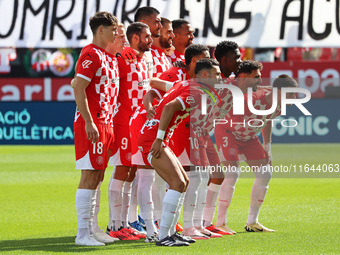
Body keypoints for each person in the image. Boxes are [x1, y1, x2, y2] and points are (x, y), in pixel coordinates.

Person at [138, 58, 221, 246]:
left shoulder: (185, 84)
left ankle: (171, 232)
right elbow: (169, 107)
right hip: (154, 138)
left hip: (156, 136)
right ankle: (164, 236)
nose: (219, 78)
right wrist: (159, 139)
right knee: (177, 182)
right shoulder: (197, 92)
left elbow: (159, 88)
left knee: (183, 182)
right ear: (205, 75)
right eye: (216, 75)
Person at [214, 60, 282, 233]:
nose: (259, 80)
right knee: (232, 173)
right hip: (228, 131)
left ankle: (252, 222)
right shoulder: (247, 94)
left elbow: (267, 120)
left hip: (248, 137)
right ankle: (220, 223)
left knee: (265, 173)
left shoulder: (278, 104)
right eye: (256, 77)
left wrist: (268, 148)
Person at [73, 11, 118, 246]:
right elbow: (78, 87)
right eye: (113, 29)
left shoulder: (106, 55)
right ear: (101, 29)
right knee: (89, 176)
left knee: (98, 176)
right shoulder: (90, 53)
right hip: (93, 122)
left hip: (107, 122)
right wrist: (89, 121)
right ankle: (82, 234)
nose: (116, 33)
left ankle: (92, 228)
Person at [107, 22, 152, 241]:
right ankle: (114, 225)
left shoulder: (144, 60)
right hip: (123, 122)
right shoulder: (121, 58)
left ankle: (124, 223)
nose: (151, 40)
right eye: (147, 36)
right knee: (122, 170)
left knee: (131, 172)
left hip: (138, 123)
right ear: (136, 38)